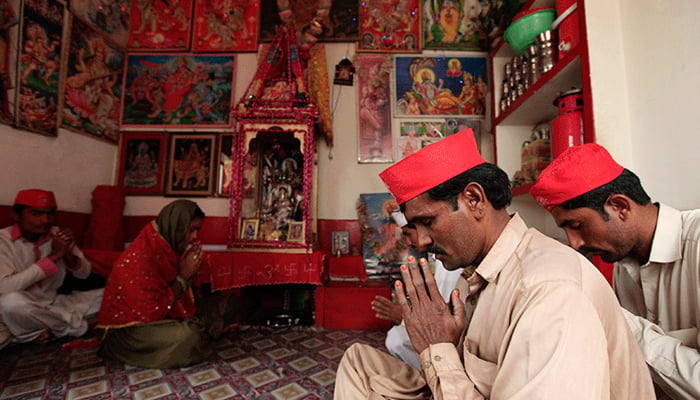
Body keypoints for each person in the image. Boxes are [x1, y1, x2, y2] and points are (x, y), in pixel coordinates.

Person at [334, 129, 655, 399]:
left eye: (428, 222)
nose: (419, 242)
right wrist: (446, 340)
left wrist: (437, 348)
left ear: (474, 200)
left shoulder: (549, 291)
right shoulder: (475, 268)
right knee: (360, 363)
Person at [530, 143, 700, 399]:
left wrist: (616, 321)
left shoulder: (696, 244)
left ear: (620, 206)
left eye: (577, 225)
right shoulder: (623, 263)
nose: (575, 243)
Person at [97, 199, 238, 369]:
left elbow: (185, 300)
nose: (195, 237)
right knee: (190, 335)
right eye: (191, 230)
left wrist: (190, 274)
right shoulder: (142, 256)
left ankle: (204, 332)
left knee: (230, 303)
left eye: (197, 230)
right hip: (130, 332)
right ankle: (203, 333)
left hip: (166, 315)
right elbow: (152, 314)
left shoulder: (169, 247)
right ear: (177, 227)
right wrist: (183, 277)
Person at [0, 189, 102, 350]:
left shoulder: (58, 234)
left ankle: (34, 333)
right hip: (21, 307)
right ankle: (71, 328)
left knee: (114, 293)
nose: (45, 220)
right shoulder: (2, 241)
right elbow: (5, 288)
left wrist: (67, 253)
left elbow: (84, 275)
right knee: (9, 303)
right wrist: (54, 257)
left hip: (53, 304)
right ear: (15, 215)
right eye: (36, 214)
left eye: (50, 214)